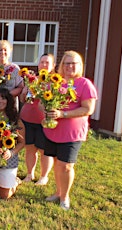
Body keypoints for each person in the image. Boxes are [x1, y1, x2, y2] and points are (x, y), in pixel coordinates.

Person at [43, 51, 97, 210]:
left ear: (80, 66)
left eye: (74, 63)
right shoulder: (55, 82)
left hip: (72, 133)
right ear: (61, 65)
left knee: (66, 165)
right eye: (67, 63)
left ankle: (65, 197)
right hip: (53, 131)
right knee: (57, 163)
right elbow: (42, 102)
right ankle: (58, 192)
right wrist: (47, 111)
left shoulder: (84, 84)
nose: (70, 66)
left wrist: (63, 114)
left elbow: (88, 109)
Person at [19, 53, 55, 185]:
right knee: (30, 148)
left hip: (43, 121)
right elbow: (23, 100)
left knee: (44, 150)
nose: (44, 65)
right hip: (27, 119)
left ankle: (43, 176)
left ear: (53, 66)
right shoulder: (32, 80)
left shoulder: (54, 83)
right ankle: (30, 174)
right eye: (42, 62)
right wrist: (23, 93)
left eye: (47, 62)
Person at [0, 88, 25, 199]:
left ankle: (15, 182)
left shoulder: (14, 118)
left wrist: (11, 152)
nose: (0, 101)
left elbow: (22, 142)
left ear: (8, 101)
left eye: (3, 98)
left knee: (4, 195)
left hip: (8, 159)